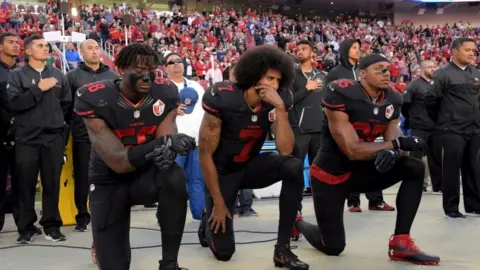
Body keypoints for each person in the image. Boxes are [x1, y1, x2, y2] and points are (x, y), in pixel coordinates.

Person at [294, 54, 440, 265]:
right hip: (331, 175)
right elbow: (352, 149)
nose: (386, 73)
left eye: (388, 69)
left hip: (362, 171)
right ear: (362, 74)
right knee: (333, 247)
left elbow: (394, 140)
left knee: (414, 167)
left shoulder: (393, 98)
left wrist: (393, 151)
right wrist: (395, 146)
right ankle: (297, 223)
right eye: (379, 69)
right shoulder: (340, 92)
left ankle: (401, 242)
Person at [75, 43, 196, 270]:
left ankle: (170, 263)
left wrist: (169, 149)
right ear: (121, 69)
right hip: (109, 180)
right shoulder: (94, 97)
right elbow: (119, 161)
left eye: (151, 69)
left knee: (174, 175)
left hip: (145, 175)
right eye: (139, 69)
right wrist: (161, 144)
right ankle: (102, 241)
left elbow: (166, 136)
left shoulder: (165, 91)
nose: (147, 76)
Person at [197, 45, 309, 270]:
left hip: (249, 167)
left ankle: (282, 249)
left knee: (293, 166)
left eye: (279, 80)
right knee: (224, 253)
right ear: (254, 75)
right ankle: (207, 219)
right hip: (222, 173)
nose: (275, 85)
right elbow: (205, 154)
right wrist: (218, 203)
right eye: (270, 78)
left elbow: (286, 150)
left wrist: (279, 108)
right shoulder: (223, 96)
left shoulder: (279, 100)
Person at [6, 34, 71, 244]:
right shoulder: (17, 76)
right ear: (27, 51)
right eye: (40, 46)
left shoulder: (59, 75)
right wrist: (38, 89)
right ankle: (26, 228)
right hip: (26, 139)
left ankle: (52, 226)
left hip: (53, 138)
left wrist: (61, 132)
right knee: (24, 185)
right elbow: (14, 104)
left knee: (52, 185)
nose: (46, 49)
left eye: (46, 45)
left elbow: (66, 105)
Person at [326, 39, 393, 212]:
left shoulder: (369, 69)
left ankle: (376, 200)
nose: (358, 50)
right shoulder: (336, 73)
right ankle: (353, 201)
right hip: (347, 123)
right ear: (345, 50)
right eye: (354, 48)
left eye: (359, 47)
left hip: (372, 121)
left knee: (375, 156)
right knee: (352, 157)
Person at [66, 39, 119, 232]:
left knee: (110, 174)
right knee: (82, 176)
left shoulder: (112, 75)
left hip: (108, 136)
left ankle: (110, 213)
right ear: (81, 53)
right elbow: (67, 106)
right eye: (90, 48)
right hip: (83, 135)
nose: (95, 51)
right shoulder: (73, 76)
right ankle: (82, 216)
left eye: (97, 48)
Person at [425, 37, 480, 218]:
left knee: (473, 167)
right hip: (452, 129)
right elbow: (431, 101)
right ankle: (451, 207)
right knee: (451, 168)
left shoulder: (476, 72)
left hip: (474, 128)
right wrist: (444, 120)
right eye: (467, 50)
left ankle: (473, 205)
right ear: (455, 51)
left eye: (473, 50)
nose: (472, 53)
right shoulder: (443, 74)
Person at [163, 52, 206, 221]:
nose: (176, 64)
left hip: (195, 140)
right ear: (165, 68)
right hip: (173, 143)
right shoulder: (162, 87)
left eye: (179, 61)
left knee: (197, 180)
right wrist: (172, 112)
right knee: (172, 182)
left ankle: (200, 217)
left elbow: (206, 110)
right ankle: (170, 217)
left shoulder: (196, 86)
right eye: (171, 62)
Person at [290, 40, 325, 216]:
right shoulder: (292, 76)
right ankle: (296, 211)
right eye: (298, 50)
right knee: (295, 171)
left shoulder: (322, 76)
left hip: (319, 129)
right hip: (299, 130)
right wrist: (306, 88)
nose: (299, 51)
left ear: (312, 54)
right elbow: (289, 101)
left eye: (303, 49)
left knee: (320, 172)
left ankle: (323, 210)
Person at [401, 60, 442, 192]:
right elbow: (405, 105)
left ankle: (438, 186)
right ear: (423, 69)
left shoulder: (436, 85)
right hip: (419, 127)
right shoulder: (414, 85)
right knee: (416, 157)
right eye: (430, 66)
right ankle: (414, 184)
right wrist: (414, 118)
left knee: (436, 158)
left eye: (434, 66)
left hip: (435, 127)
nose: (433, 69)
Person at [0, 32, 20, 232]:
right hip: (2, 130)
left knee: (21, 178)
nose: (15, 45)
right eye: (10, 42)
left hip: (21, 132)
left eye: (17, 42)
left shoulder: (23, 72)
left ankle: (23, 223)